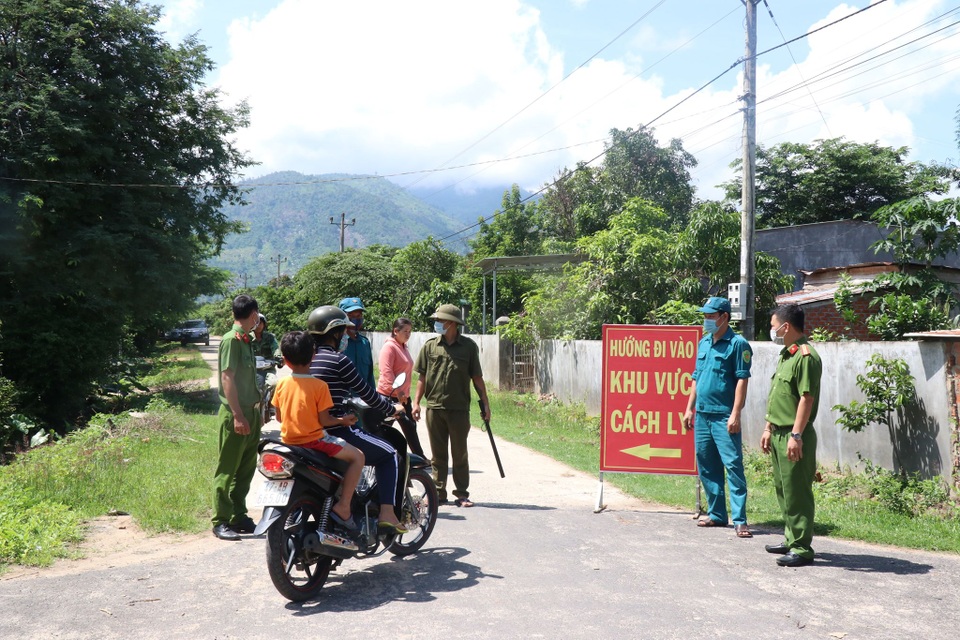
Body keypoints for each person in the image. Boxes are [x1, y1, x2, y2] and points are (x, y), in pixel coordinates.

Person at [307, 305, 408, 534]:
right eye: (343, 331)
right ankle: (387, 513)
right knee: (390, 453)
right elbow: (368, 393)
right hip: (335, 430)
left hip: (306, 431)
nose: (345, 336)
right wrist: (390, 408)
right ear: (334, 333)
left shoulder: (306, 360)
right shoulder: (339, 360)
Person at [271, 330, 364, 531]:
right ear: (313, 356)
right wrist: (344, 420)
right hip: (315, 441)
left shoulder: (282, 384)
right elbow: (325, 420)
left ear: (286, 360)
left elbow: (279, 417)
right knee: (358, 457)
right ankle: (344, 506)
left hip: (288, 443)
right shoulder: (320, 386)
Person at [682, 296, 753, 538]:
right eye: (705, 316)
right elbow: (696, 378)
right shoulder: (703, 343)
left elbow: (742, 380)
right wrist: (688, 408)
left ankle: (740, 520)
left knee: (733, 465)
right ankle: (717, 514)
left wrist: (736, 414)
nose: (706, 320)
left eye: (711, 316)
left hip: (724, 416)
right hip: (702, 414)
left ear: (724, 317)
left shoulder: (738, 344)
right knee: (707, 465)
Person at [761, 303, 822, 567]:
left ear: (786, 327)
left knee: (797, 491)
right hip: (778, 432)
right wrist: (767, 427)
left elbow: (806, 399)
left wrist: (796, 436)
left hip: (794, 435)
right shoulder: (787, 354)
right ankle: (790, 538)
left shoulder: (805, 356)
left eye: (774, 326)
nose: (771, 331)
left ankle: (802, 548)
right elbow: (779, 397)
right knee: (784, 490)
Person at [412, 304, 489, 507]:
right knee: (438, 455)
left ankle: (462, 494)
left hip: (459, 409)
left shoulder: (469, 347)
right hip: (434, 408)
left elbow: (477, 379)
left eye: (440, 320)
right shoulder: (430, 346)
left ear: (452, 323)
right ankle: (437, 493)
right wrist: (416, 402)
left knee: (459, 453)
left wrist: (486, 406)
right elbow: (422, 377)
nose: (437, 324)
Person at [212, 294, 261, 541]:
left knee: (246, 469)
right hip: (236, 415)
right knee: (227, 469)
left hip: (251, 413)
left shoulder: (247, 340)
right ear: (253, 314)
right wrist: (238, 415)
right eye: (257, 316)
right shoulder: (231, 340)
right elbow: (227, 378)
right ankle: (220, 520)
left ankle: (238, 516)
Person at [377, 317, 425, 457]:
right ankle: (380, 456)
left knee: (410, 427)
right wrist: (398, 392)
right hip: (390, 395)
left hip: (404, 396)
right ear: (395, 331)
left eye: (410, 331)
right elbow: (387, 372)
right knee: (385, 429)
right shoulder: (389, 347)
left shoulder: (403, 346)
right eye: (405, 331)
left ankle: (419, 458)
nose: (408, 334)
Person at [338, 297, 375, 389]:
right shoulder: (336, 343)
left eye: (358, 316)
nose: (355, 320)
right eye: (351, 316)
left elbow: (370, 376)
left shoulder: (365, 343)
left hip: (363, 399)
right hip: (343, 399)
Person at [253, 313, 282, 418]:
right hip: (252, 370)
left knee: (274, 383)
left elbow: (275, 348)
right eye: (256, 323)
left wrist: (278, 358)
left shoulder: (270, 337)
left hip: (268, 369)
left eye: (261, 323)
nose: (259, 325)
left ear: (264, 324)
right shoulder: (247, 337)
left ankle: (271, 404)